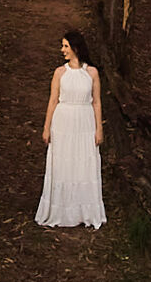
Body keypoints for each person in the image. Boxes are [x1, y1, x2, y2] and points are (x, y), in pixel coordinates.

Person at [36, 29, 105, 229]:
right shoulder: (60, 73)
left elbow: (97, 103)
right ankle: (61, 209)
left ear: (76, 48)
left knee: (83, 163)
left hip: (84, 121)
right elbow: (52, 101)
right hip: (63, 122)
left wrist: (98, 129)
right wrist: (46, 127)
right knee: (63, 163)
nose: (62, 50)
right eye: (62, 46)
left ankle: (84, 210)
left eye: (66, 46)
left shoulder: (92, 73)